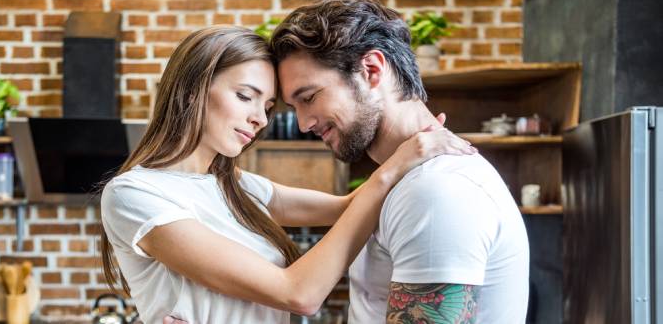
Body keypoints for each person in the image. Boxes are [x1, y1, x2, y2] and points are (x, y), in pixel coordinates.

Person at [99, 26, 476, 323]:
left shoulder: (236, 187)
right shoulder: (136, 194)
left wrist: (414, 152)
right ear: (192, 89)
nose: (260, 120)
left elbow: (347, 208)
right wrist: (394, 167)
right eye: (245, 96)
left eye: (267, 106)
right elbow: (299, 293)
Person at [270, 0, 530, 323]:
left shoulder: (436, 191)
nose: (305, 123)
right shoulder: (406, 181)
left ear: (371, 70)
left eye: (309, 98)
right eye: (295, 108)